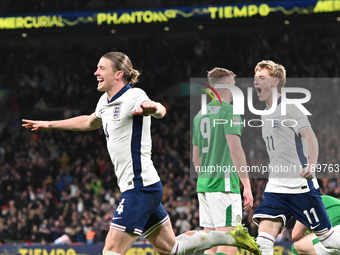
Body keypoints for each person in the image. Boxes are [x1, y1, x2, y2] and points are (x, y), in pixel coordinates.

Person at [22, 52, 260, 255]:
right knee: (172, 249)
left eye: (101, 68)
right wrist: (49, 124)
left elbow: (160, 110)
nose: (95, 72)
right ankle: (230, 237)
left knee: (111, 249)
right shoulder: (104, 102)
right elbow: (87, 122)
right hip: (138, 186)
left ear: (118, 74)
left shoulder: (134, 96)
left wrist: (154, 108)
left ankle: (231, 237)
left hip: (140, 186)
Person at [251, 60, 340, 255]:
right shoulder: (264, 113)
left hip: (300, 186)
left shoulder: (290, 108)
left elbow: (310, 136)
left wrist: (312, 165)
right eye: (255, 77)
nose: (256, 81)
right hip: (276, 187)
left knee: (330, 241)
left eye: (262, 78)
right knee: (263, 242)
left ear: (275, 82)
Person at [192, 67, 254, 255]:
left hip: (204, 184)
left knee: (210, 245)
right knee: (229, 242)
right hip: (224, 184)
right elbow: (235, 150)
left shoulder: (199, 115)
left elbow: (196, 158)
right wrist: (247, 185)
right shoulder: (229, 112)